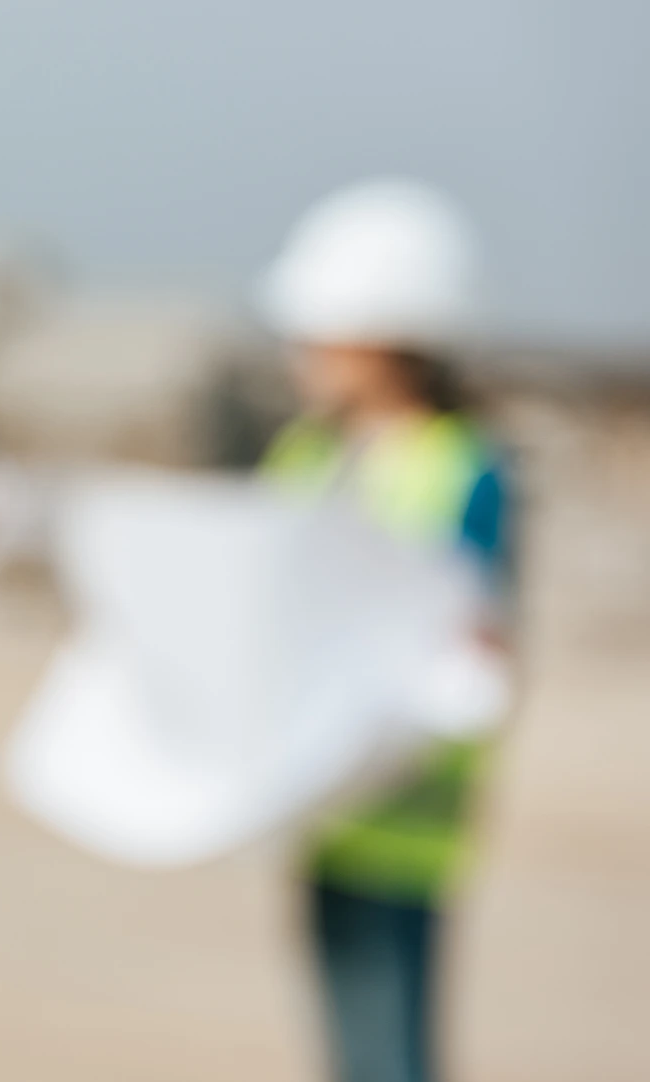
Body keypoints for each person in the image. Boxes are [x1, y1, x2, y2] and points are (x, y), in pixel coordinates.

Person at [258, 179, 514, 1082]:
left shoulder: (459, 467)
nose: (303, 354)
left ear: (388, 337)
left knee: (388, 1052)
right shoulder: (308, 456)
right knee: (350, 1047)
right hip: (322, 802)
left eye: (319, 334)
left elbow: (480, 643)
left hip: (407, 815)